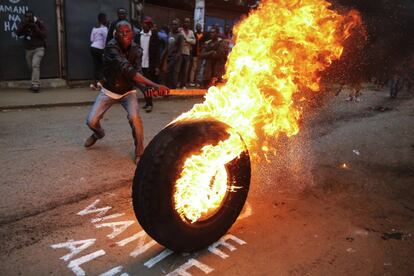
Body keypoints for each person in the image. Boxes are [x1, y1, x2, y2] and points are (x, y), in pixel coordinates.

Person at [84, 21, 169, 164]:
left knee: (135, 118)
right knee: (91, 121)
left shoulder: (137, 50)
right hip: (109, 90)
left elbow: (137, 73)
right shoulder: (111, 47)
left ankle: (139, 153)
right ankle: (99, 133)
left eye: (127, 32)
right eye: (121, 32)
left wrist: (148, 89)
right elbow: (127, 70)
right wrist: (154, 84)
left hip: (128, 92)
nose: (124, 35)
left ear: (132, 33)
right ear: (115, 34)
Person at [134, 16, 161, 113]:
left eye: (148, 24)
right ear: (142, 24)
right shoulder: (137, 36)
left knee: (148, 85)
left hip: (150, 65)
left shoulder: (154, 35)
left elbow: (158, 52)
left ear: (150, 25)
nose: (146, 25)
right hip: (140, 65)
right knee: (142, 85)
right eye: (145, 23)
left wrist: (157, 66)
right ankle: (147, 102)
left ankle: (150, 104)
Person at [16, 10, 47, 93]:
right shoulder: (23, 23)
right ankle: (34, 82)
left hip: (39, 48)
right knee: (32, 67)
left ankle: (35, 84)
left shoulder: (39, 23)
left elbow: (44, 35)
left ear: (33, 17)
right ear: (24, 17)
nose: (28, 18)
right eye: (26, 16)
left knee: (35, 65)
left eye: (30, 17)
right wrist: (25, 25)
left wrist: (35, 27)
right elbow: (18, 33)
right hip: (28, 49)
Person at [89, 13, 108, 90]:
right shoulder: (104, 29)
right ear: (103, 20)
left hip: (93, 48)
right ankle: (100, 82)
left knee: (96, 66)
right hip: (100, 49)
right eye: (106, 18)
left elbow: (91, 40)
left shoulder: (94, 28)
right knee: (104, 65)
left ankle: (93, 83)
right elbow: (106, 40)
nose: (107, 20)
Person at [163, 19, 184, 89]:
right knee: (168, 73)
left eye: (175, 24)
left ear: (178, 26)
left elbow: (180, 48)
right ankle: (168, 88)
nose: (174, 26)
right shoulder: (169, 34)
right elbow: (167, 46)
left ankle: (173, 88)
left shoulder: (180, 35)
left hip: (175, 57)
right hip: (169, 56)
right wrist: (163, 55)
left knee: (173, 74)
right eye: (173, 24)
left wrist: (176, 58)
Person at [177, 18, 195, 89]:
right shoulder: (180, 30)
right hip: (180, 52)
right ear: (183, 23)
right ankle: (177, 83)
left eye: (188, 22)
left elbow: (194, 41)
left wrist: (187, 40)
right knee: (178, 69)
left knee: (185, 70)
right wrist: (189, 41)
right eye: (185, 22)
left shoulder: (191, 32)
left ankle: (183, 84)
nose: (186, 23)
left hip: (187, 53)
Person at [189, 23, 206, 87]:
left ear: (201, 28)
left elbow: (205, 44)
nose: (198, 28)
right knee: (193, 68)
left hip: (201, 54)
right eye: (197, 27)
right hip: (194, 54)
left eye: (199, 27)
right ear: (196, 28)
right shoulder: (194, 34)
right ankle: (191, 81)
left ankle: (197, 82)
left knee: (199, 69)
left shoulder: (203, 35)